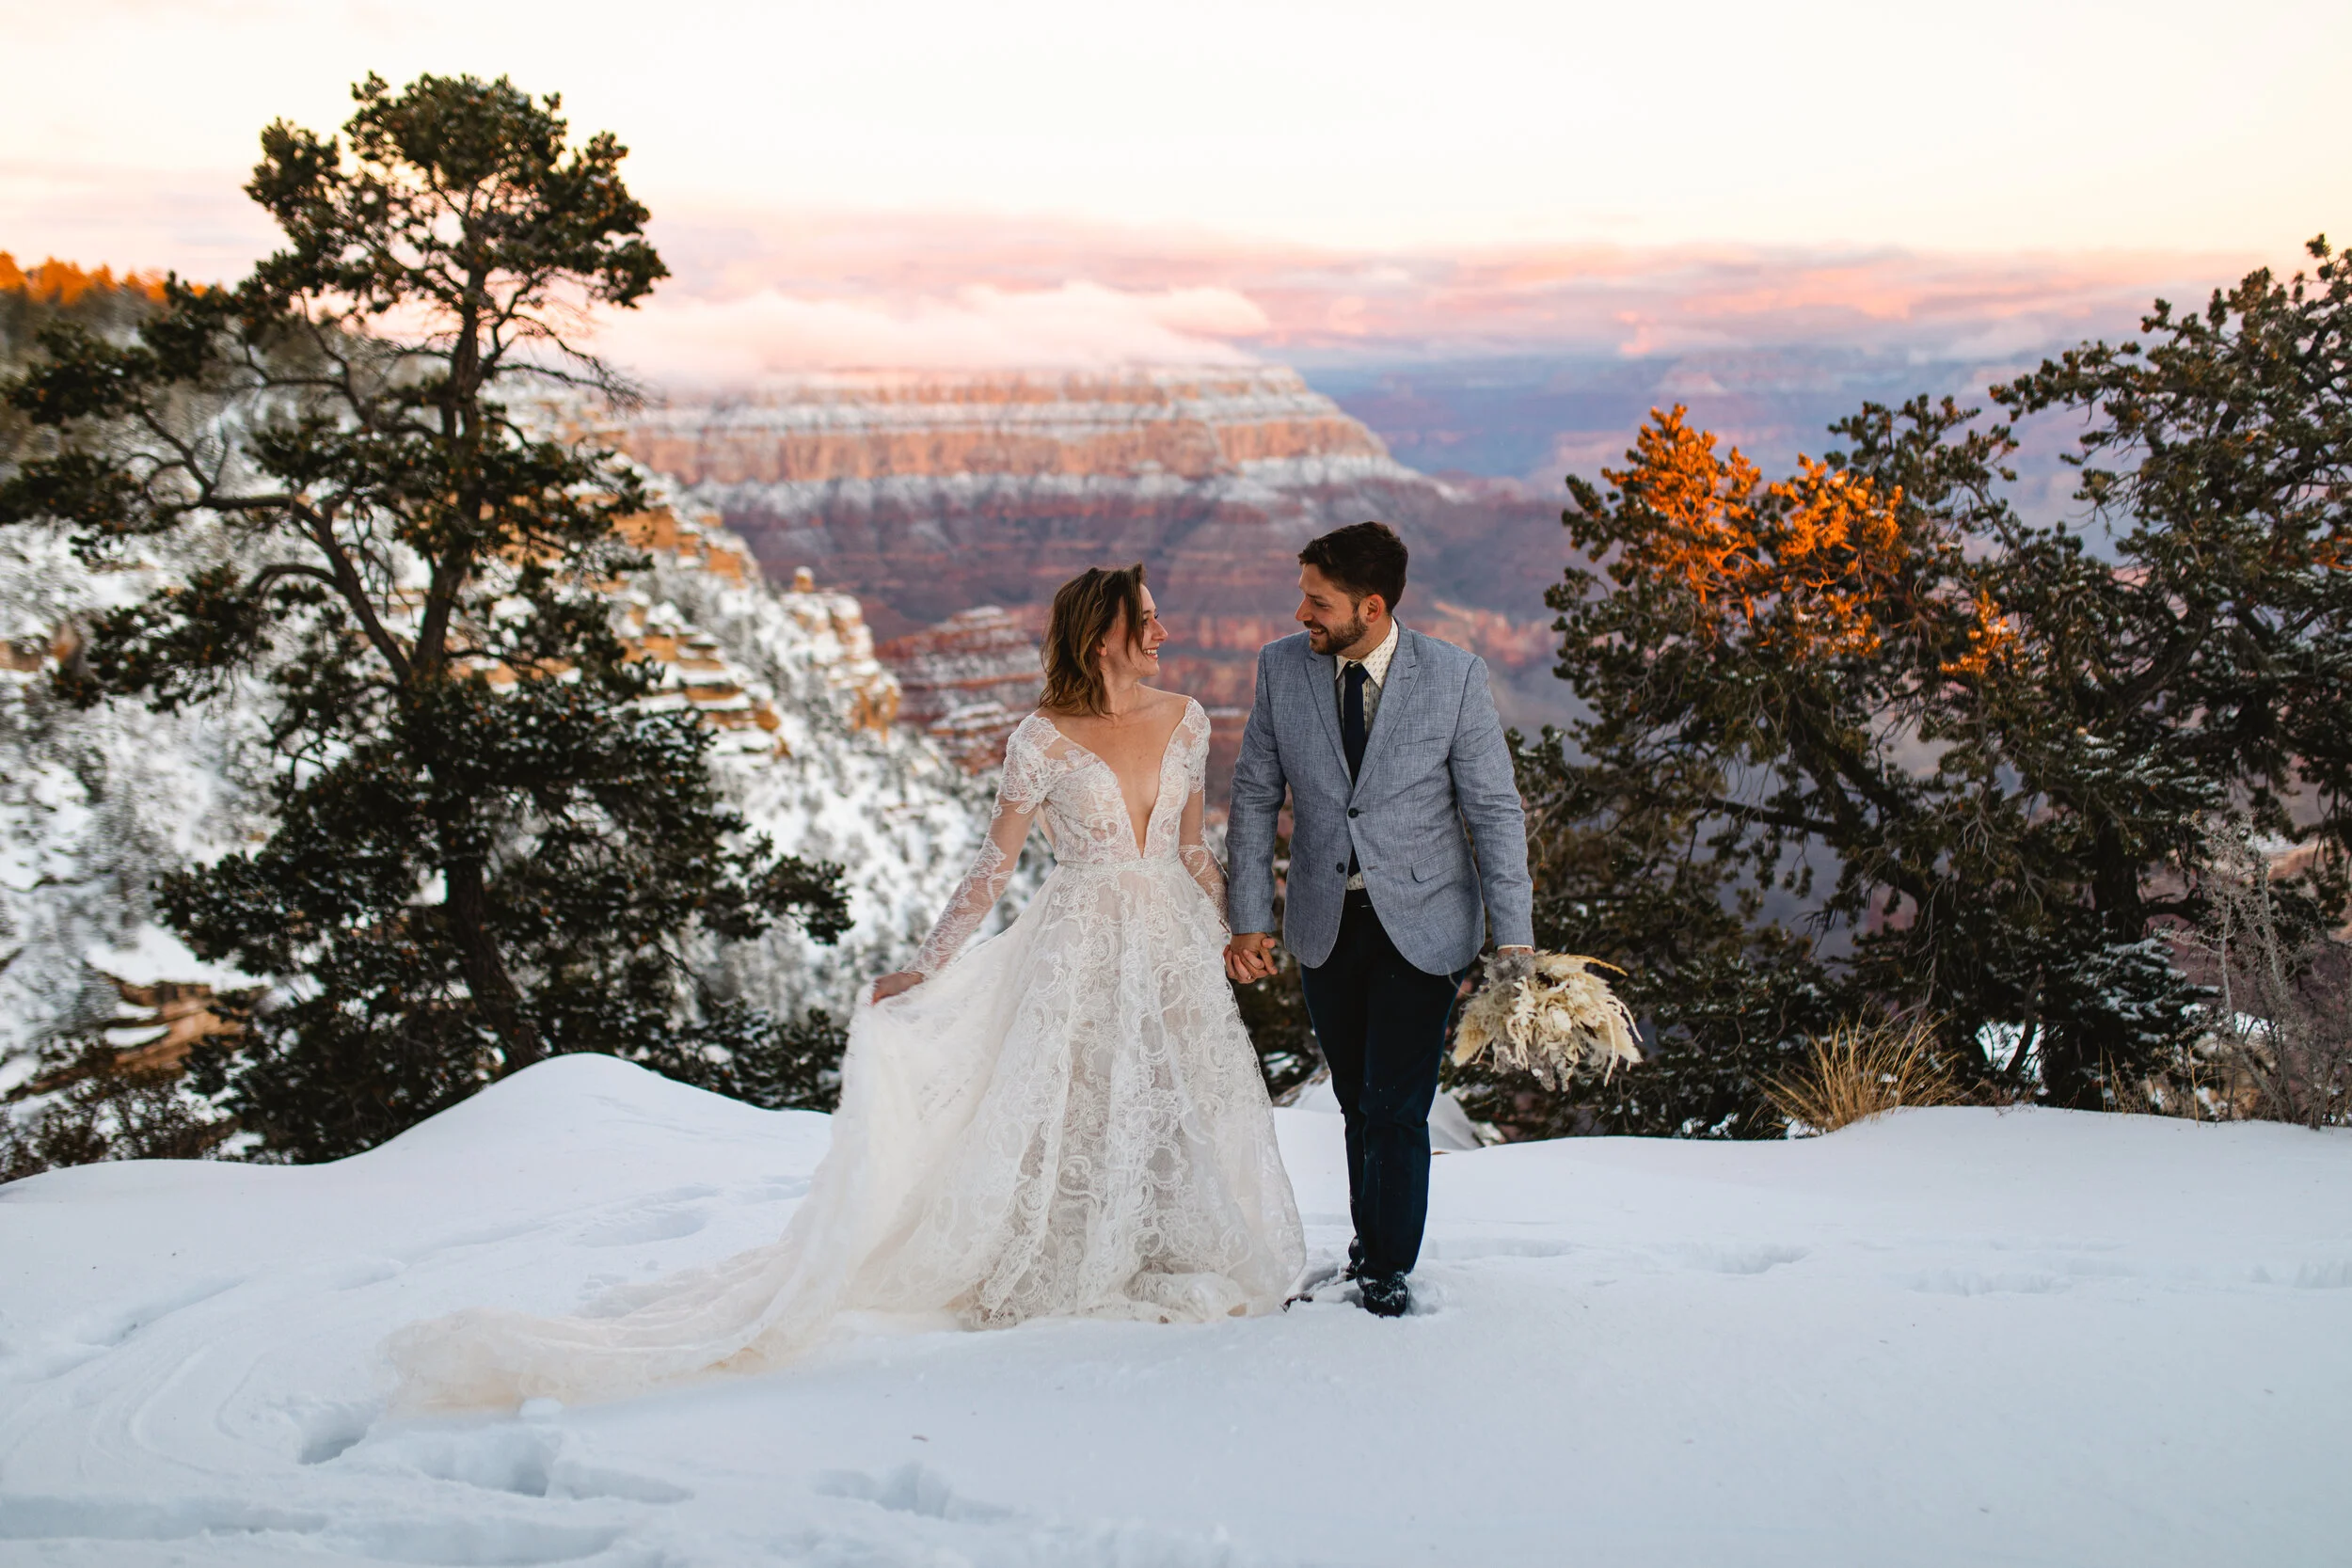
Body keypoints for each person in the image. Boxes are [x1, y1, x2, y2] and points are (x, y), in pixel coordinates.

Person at [387, 565, 1303, 1410]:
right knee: (1082, 1098)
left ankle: (1163, 1244)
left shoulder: (1187, 716)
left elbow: (1192, 846)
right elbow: (993, 866)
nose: (1164, 630)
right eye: (1146, 620)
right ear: (1102, 634)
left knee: (1177, 1092)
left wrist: (1239, 930)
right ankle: (1082, 1253)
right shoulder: (1039, 739)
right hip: (1077, 945)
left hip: (1172, 941)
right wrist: (927, 963)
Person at [1224, 521, 1534, 1319]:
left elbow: (1494, 809)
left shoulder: (1455, 677)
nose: (1302, 612)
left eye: (1317, 600)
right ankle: (1370, 1246)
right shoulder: (1281, 669)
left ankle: (1387, 1271)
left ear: (1371, 605)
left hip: (1425, 921)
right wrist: (1249, 919)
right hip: (1325, 924)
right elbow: (1256, 795)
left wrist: (1515, 935)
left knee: (1397, 1106)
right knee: (1358, 1100)